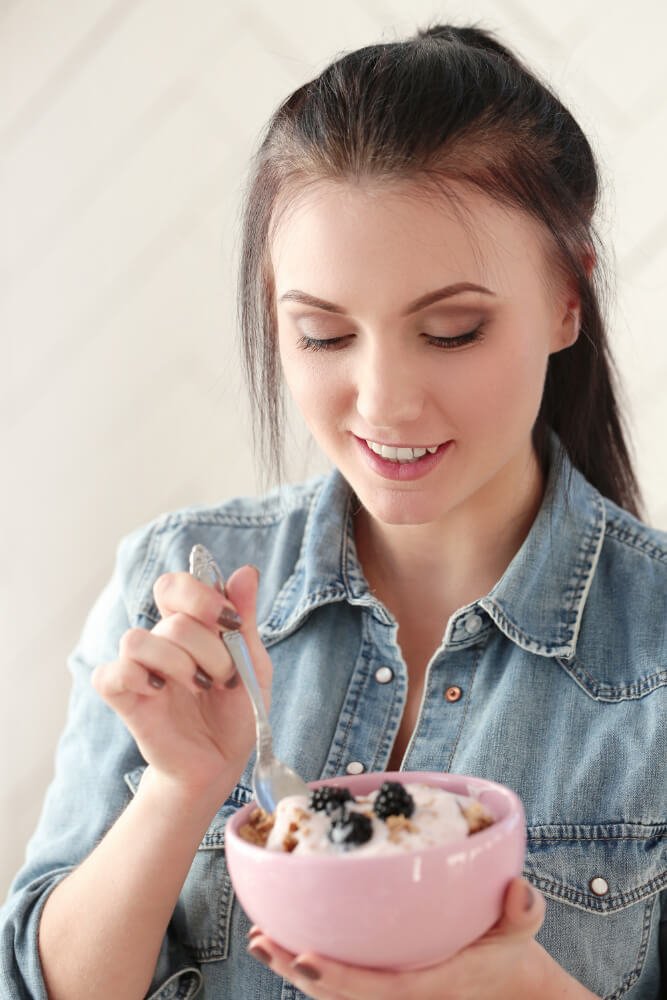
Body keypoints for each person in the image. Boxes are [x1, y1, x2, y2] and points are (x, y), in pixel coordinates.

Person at [1, 21, 665, 1000]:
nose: (384, 401)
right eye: (321, 334)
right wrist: (183, 789)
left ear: (567, 300)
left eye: (451, 331)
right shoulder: (172, 585)